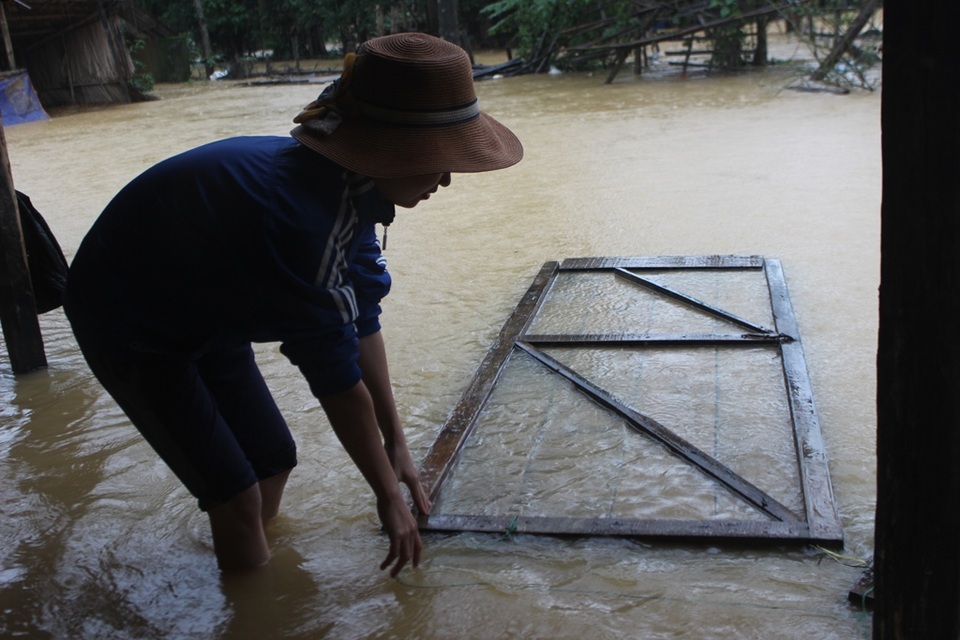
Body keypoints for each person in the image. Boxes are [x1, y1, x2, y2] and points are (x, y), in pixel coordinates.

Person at [63, 32, 522, 575]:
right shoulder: (306, 219)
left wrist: (395, 443)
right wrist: (387, 496)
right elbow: (335, 379)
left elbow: (361, 319)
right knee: (235, 496)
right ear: (388, 150)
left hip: (207, 307)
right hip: (131, 322)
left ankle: (251, 565)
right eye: (437, 161)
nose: (445, 179)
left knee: (272, 461)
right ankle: (245, 585)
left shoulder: (351, 191)